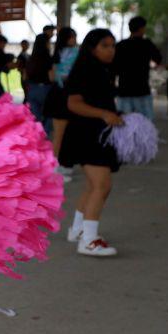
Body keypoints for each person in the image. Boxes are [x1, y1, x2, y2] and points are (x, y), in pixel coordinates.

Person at [59, 28, 123, 256]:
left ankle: (78, 230)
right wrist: (104, 114)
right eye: (105, 45)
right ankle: (89, 240)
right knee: (101, 185)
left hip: (96, 133)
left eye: (112, 45)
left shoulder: (100, 68)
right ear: (92, 48)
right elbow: (73, 103)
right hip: (87, 134)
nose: (110, 50)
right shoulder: (85, 69)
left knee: (93, 185)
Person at [44, 27, 79, 174]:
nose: (74, 39)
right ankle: (56, 166)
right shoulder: (77, 54)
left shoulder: (56, 54)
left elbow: (51, 77)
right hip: (66, 96)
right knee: (62, 134)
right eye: (72, 37)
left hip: (58, 95)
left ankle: (60, 163)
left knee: (61, 134)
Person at [113, 16, 162, 120]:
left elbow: (114, 68)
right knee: (145, 123)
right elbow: (158, 58)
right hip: (142, 89)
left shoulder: (120, 45)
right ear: (142, 29)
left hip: (124, 89)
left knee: (124, 123)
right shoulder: (147, 44)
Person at [23, 32, 55, 135]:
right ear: (46, 44)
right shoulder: (48, 59)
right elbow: (51, 77)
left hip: (32, 89)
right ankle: (44, 137)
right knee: (48, 116)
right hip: (45, 89)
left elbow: (25, 77)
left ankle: (36, 137)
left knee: (35, 118)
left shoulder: (30, 59)